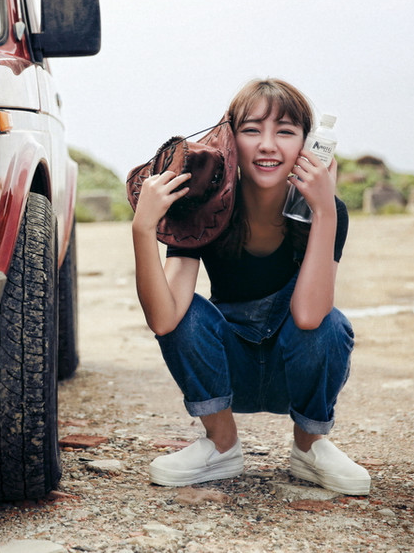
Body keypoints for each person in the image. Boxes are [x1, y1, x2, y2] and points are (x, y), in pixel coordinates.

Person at [131, 78, 370, 495]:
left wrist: (325, 211)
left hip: (289, 369)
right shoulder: (204, 206)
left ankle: (310, 446)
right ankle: (220, 444)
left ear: (307, 144)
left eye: (285, 131)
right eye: (252, 129)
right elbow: (165, 318)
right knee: (187, 313)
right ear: (230, 139)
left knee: (333, 325)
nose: (268, 145)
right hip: (228, 369)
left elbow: (309, 317)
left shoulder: (327, 213)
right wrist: (144, 228)